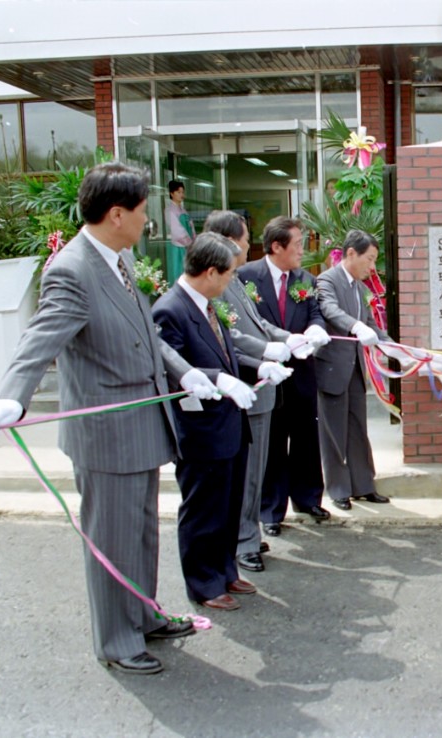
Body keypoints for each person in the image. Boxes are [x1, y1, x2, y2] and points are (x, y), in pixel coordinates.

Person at [0, 162, 222, 675]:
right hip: (107, 437)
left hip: (142, 423)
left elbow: (147, 334)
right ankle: (116, 640)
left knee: (140, 533)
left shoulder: (119, 258)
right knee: (110, 537)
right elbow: (40, 338)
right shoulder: (72, 269)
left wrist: (186, 373)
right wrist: (11, 396)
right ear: (116, 214)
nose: (146, 222)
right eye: (140, 212)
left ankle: (143, 614)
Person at [203, 210, 327, 573]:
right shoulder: (231, 279)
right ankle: (245, 537)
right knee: (251, 471)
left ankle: (248, 535)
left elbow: (259, 324)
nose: (246, 245)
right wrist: (266, 353)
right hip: (247, 386)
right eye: (243, 239)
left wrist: (292, 338)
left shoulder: (243, 282)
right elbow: (229, 334)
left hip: (282, 379)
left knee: (257, 469)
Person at [152, 232, 258, 612]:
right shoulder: (171, 309)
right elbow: (176, 371)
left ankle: (225, 569)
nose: (231, 280)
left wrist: (261, 366)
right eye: (228, 274)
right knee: (203, 510)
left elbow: (228, 353)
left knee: (228, 506)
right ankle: (203, 583)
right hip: (200, 431)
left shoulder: (208, 304)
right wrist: (219, 379)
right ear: (210, 272)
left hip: (228, 424)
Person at [238, 216, 329, 535]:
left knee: (306, 438)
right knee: (273, 443)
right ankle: (271, 511)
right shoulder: (245, 277)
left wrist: (316, 328)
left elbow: (315, 312)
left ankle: (307, 498)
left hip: (302, 372)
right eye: (298, 244)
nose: (303, 250)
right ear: (276, 246)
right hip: (266, 373)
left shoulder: (305, 278)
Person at [314, 230, 392, 510]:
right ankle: (337, 489)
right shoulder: (327, 280)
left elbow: (371, 324)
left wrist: (394, 348)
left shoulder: (360, 288)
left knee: (358, 428)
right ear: (350, 254)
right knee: (333, 431)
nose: (371, 267)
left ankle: (363, 485)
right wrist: (355, 326)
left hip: (356, 368)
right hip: (333, 368)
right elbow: (330, 310)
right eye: (369, 259)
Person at [165, 179, 195, 284]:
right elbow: (177, 230)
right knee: (178, 273)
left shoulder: (183, 210)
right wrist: (189, 242)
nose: (181, 195)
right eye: (178, 192)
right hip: (177, 246)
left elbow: (191, 227)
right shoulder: (169, 210)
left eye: (182, 192)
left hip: (187, 246)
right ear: (171, 193)